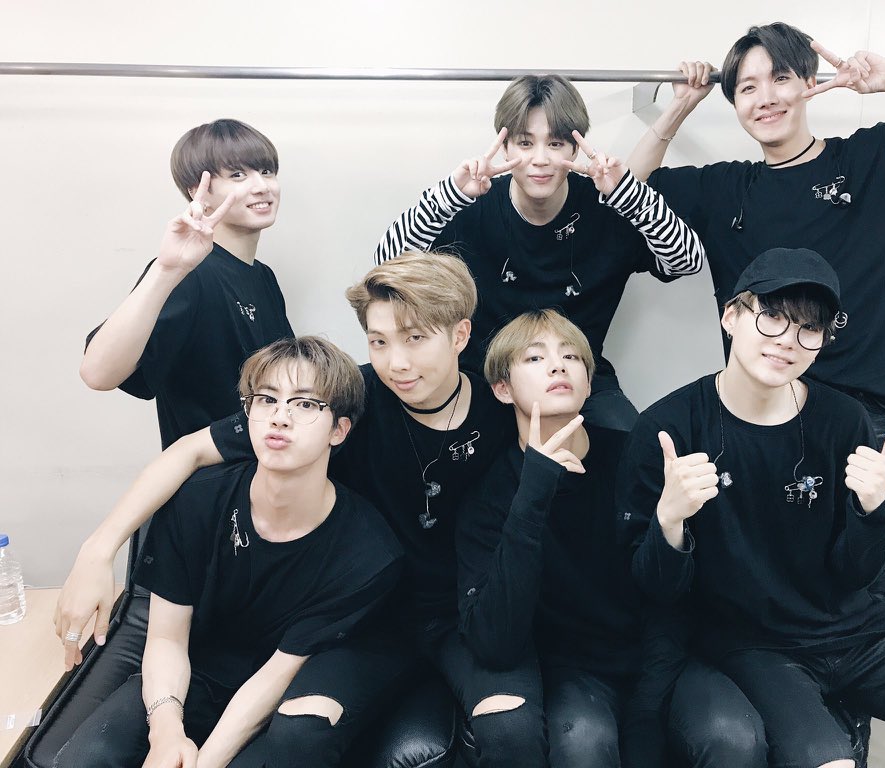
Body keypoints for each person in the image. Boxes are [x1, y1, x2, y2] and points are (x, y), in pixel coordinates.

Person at [57, 252, 546, 767]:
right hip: (361, 617)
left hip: (464, 612)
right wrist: (98, 550)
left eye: (415, 338)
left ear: (461, 335)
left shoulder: (502, 409)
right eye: (379, 342)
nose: (397, 363)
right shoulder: (342, 401)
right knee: (300, 733)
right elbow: (190, 450)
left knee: (511, 729)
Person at [628, 21, 885, 600]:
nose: (766, 98)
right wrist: (677, 110)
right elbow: (622, 196)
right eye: (747, 88)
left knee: (863, 587)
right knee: (765, 584)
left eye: (780, 78)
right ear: (734, 103)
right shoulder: (725, 190)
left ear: (810, 83)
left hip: (871, 414)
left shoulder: (879, 159)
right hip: (762, 413)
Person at [619, 247, 885, 768]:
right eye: (771, 316)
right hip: (754, 646)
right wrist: (670, 519)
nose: (788, 340)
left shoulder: (844, 420)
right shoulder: (668, 427)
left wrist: (876, 511)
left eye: (809, 328)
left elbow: (856, 572)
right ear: (730, 316)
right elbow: (652, 588)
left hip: (861, 635)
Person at [53, 336, 402, 768]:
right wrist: (166, 733)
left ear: (339, 430)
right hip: (192, 675)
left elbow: (278, 673)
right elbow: (165, 637)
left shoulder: (367, 552)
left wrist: (205, 761)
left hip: (279, 695)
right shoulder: (196, 500)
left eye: (305, 404)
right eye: (267, 399)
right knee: (83, 759)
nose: (280, 417)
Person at [458, 308, 762, 768]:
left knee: (733, 737)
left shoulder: (633, 457)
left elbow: (673, 597)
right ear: (502, 389)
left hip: (661, 659)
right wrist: (534, 490)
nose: (558, 366)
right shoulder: (488, 495)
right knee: (583, 745)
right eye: (535, 358)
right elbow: (495, 641)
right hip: (573, 673)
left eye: (571, 357)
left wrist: (670, 524)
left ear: (588, 383)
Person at [375, 74, 706, 431]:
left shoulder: (606, 205)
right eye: (525, 143)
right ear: (506, 148)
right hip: (484, 382)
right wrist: (450, 195)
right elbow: (387, 263)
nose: (540, 159)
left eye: (556, 143)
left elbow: (686, 260)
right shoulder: (472, 205)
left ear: (575, 149)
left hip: (576, 382)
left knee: (630, 445)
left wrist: (628, 193)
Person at [80, 118, 292, 448]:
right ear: (198, 191)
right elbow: (97, 374)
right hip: (213, 474)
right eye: (238, 175)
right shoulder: (189, 273)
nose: (262, 186)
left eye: (266, 171)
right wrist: (167, 270)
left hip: (268, 467)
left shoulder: (263, 277)